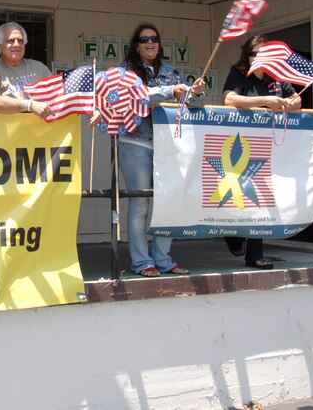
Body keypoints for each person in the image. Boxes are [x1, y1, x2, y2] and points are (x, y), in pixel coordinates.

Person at [117, 24, 206, 277]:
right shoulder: (124, 73)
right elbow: (138, 96)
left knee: (168, 203)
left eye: (154, 38)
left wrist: (196, 93)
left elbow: (194, 103)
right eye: (144, 39)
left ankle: (164, 260)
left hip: (168, 146)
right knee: (140, 205)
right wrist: (171, 90)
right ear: (136, 44)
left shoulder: (171, 72)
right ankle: (142, 262)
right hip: (136, 141)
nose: (150, 42)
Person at [222, 34, 302, 270]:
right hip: (239, 145)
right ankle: (233, 235)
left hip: (269, 146)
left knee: (261, 198)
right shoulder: (238, 73)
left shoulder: (276, 77)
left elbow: (297, 99)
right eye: (254, 53)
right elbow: (229, 99)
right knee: (237, 196)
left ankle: (254, 254)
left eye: (263, 53)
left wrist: (288, 103)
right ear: (247, 55)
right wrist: (266, 101)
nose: (259, 57)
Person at [0, 22, 54, 119]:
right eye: (11, 40)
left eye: (21, 41)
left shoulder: (39, 67)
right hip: (7, 132)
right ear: (0, 45)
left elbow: (57, 95)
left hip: (41, 130)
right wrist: (28, 105)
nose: (17, 44)